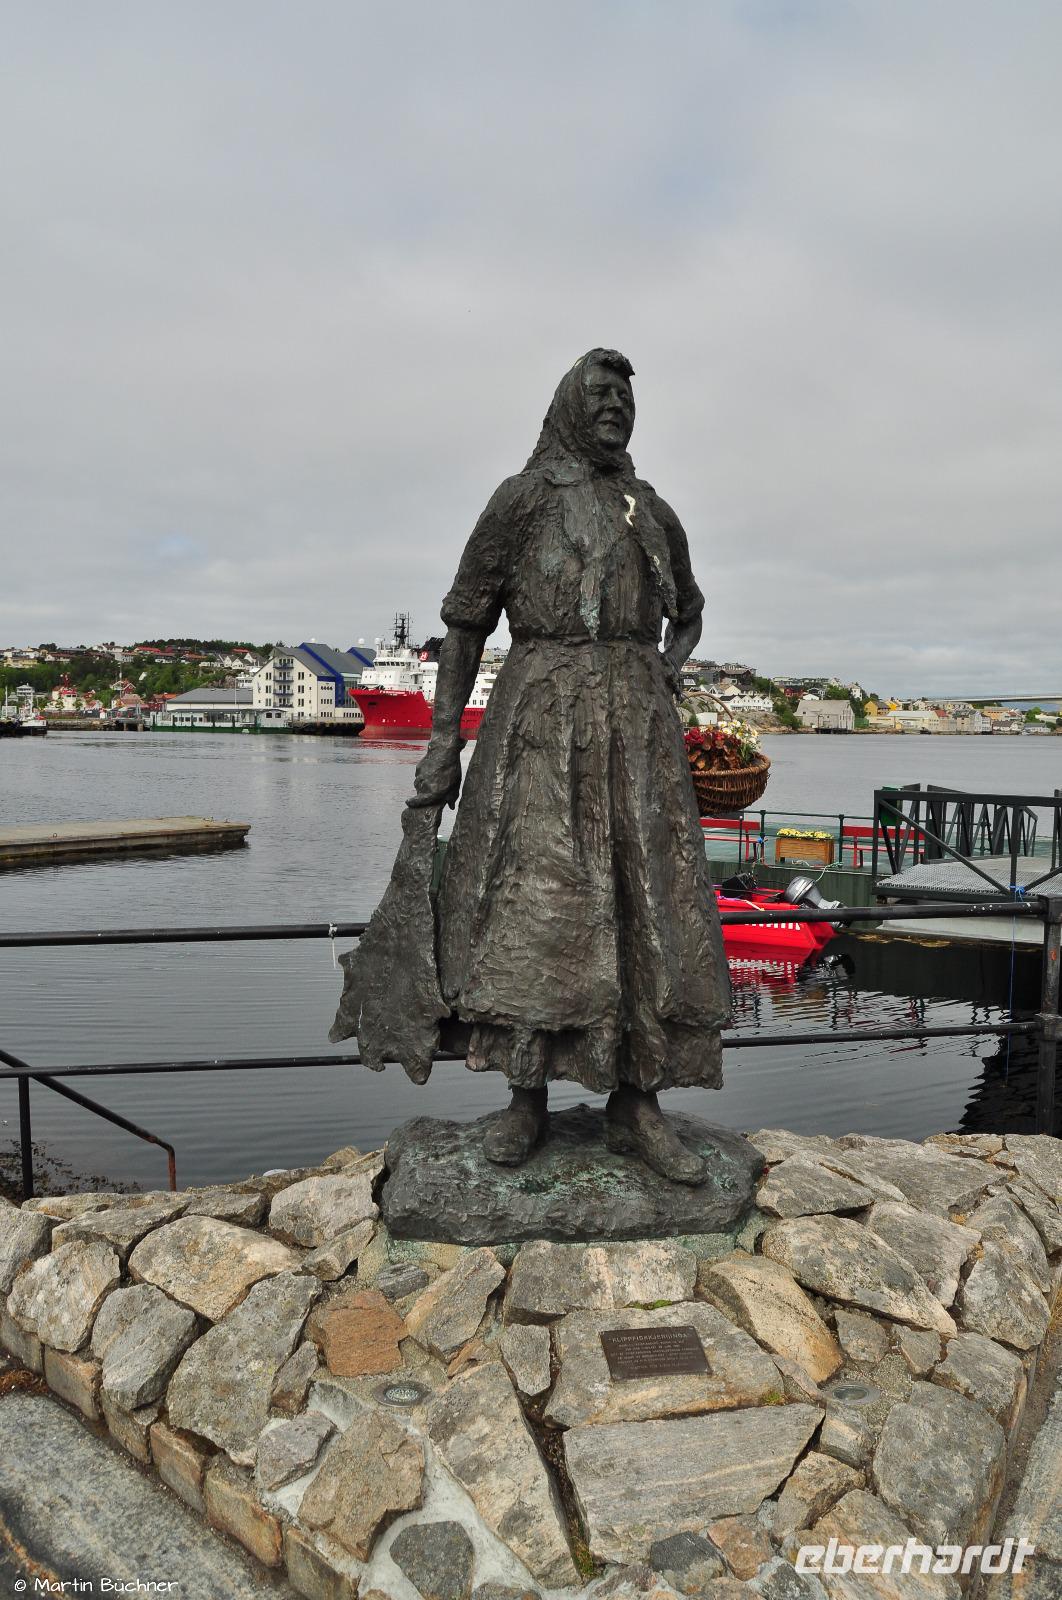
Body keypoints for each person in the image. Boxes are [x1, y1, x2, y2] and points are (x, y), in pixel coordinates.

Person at [336, 349, 731, 1184]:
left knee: (643, 901)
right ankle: (526, 1097)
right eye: (600, 395)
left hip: (638, 736)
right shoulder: (519, 503)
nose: (616, 408)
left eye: (626, 398)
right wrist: (443, 739)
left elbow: (689, 615)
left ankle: (638, 1100)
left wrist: (667, 666)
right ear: (565, 405)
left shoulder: (649, 511)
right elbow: (465, 627)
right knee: (535, 901)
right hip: (538, 725)